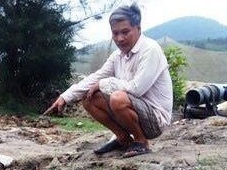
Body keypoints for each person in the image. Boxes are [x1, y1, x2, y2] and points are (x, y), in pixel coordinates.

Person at [44, 3, 173, 158]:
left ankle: (141, 142)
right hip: (136, 113)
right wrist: (65, 97)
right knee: (88, 96)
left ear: (138, 28)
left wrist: (103, 84)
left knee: (117, 98)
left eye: (125, 32)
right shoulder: (118, 56)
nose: (119, 38)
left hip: (155, 120)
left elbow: (137, 89)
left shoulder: (150, 50)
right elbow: (96, 76)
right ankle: (123, 139)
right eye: (115, 33)